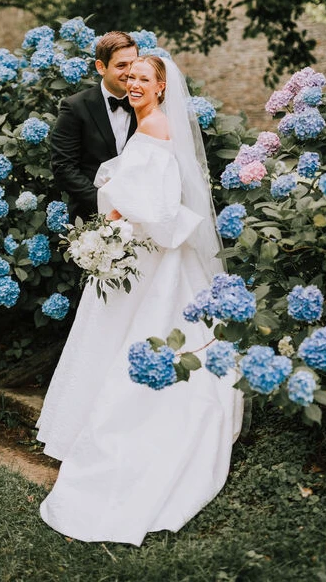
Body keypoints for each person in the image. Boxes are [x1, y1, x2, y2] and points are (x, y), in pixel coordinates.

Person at [36, 56, 243, 546]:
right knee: (110, 332)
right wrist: (114, 198)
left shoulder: (158, 124)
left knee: (139, 333)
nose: (133, 84)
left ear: (162, 84)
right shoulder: (147, 121)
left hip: (154, 258)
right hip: (137, 248)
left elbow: (162, 203)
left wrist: (116, 208)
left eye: (143, 79)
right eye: (129, 78)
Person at [50, 31, 139, 221]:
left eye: (134, 64)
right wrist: (105, 206)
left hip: (142, 216)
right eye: (121, 65)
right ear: (101, 67)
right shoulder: (75, 107)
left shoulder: (148, 105)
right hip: (92, 218)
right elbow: (64, 167)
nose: (130, 72)